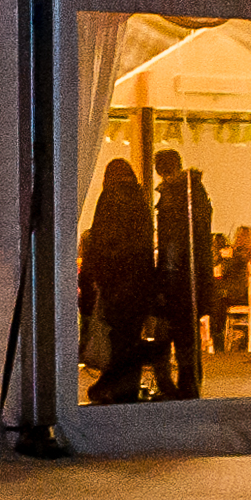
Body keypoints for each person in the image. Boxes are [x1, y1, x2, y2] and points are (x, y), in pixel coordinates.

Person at [79, 157, 156, 404]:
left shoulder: (110, 198)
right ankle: (125, 387)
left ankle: (111, 385)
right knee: (130, 337)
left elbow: (102, 240)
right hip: (139, 282)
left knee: (116, 337)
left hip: (115, 280)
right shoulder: (140, 200)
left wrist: (95, 275)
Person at [150, 148, 216, 400]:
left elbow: (177, 241)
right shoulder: (191, 191)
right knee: (183, 334)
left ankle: (178, 385)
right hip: (184, 276)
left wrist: (164, 275)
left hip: (178, 277)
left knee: (173, 334)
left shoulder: (181, 194)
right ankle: (186, 384)